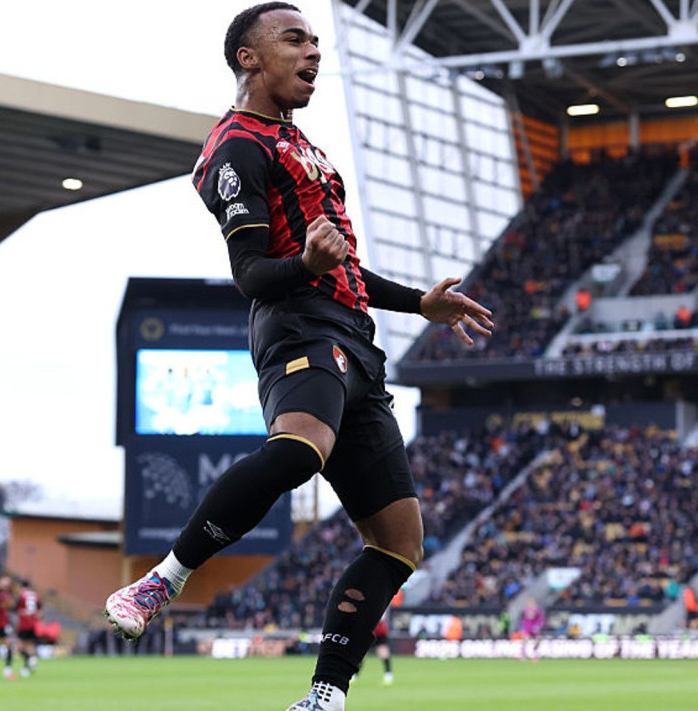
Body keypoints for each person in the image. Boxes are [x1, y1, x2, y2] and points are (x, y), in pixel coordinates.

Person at [102, 4, 492, 710]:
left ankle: (323, 695)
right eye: (294, 39)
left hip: (355, 341)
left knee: (399, 542)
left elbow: (343, 268)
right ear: (248, 58)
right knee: (301, 448)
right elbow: (252, 273)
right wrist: (309, 265)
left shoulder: (301, 144)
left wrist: (418, 303)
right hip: (298, 325)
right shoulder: (237, 146)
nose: (313, 50)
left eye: (315, 40)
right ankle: (164, 577)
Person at [15, 579, 43, 678]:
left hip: (24, 624)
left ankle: (29, 661)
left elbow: (16, 609)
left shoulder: (21, 596)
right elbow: (40, 610)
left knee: (19, 647)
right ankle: (29, 664)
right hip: (34, 624)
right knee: (30, 645)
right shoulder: (36, 595)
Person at [0, 575, 16, 679]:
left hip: (3, 624)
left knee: (9, 645)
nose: (6, 584)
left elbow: (11, 605)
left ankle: (7, 670)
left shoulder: (6, 594)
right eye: (4, 582)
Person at [519, 598, 544, 662]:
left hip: (535, 629)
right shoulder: (525, 610)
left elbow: (540, 620)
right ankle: (522, 655)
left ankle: (535, 655)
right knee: (525, 640)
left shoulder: (537, 610)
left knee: (537, 641)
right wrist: (522, 628)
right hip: (527, 628)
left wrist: (538, 626)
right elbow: (523, 620)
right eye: (529, 602)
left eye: (531, 602)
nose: (530, 604)